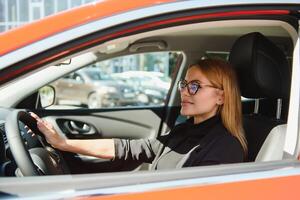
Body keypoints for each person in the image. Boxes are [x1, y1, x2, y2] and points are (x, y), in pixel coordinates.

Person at [30, 58, 247, 170]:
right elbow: (129, 149)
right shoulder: (184, 131)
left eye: (195, 86)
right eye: (184, 84)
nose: (184, 91)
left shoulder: (225, 147)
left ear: (221, 97)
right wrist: (64, 143)